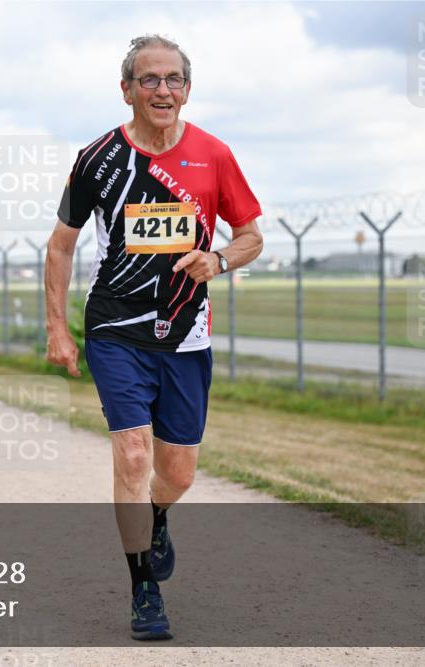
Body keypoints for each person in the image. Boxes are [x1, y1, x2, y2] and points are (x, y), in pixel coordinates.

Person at [44, 35, 263, 641]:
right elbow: (61, 245)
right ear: (127, 89)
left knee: (179, 473)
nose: (161, 90)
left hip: (186, 336)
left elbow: (251, 235)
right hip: (115, 329)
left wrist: (218, 260)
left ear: (187, 90)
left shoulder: (214, 155)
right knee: (133, 454)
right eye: (149, 79)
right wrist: (58, 328)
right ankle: (143, 587)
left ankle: (158, 515)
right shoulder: (99, 158)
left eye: (172, 80)